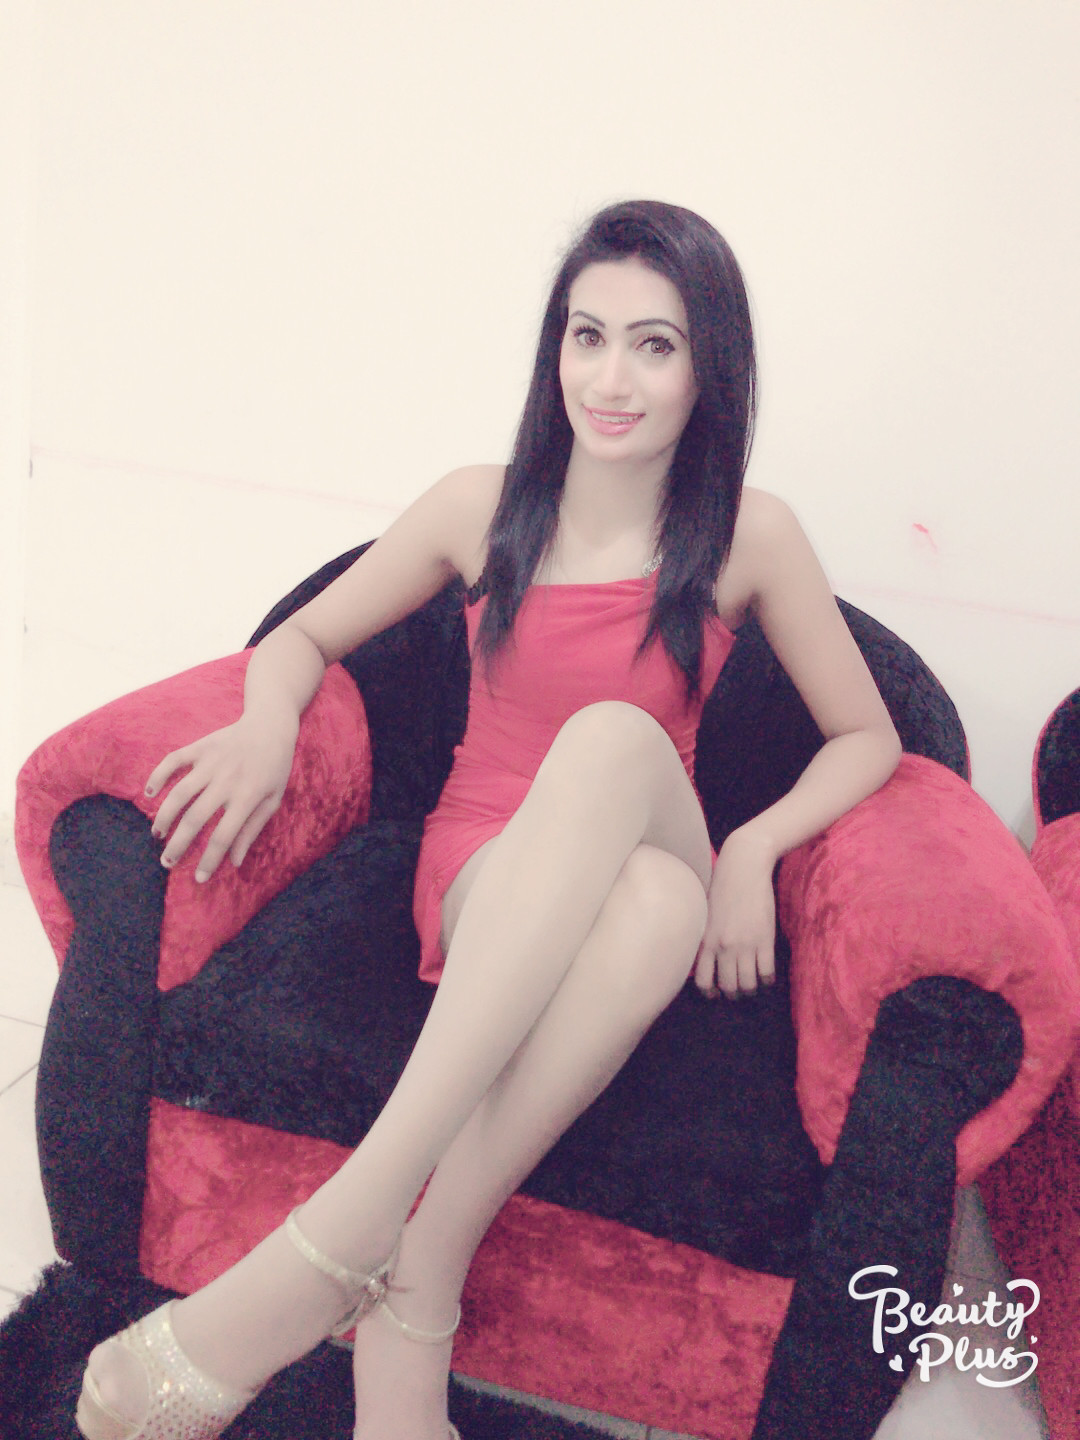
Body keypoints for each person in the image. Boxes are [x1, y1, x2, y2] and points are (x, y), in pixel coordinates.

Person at [75, 200, 902, 1440]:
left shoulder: (750, 533)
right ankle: (418, 1287)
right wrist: (266, 723)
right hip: (489, 870)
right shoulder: (480, 505)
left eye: (655, 346)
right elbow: (304, 636)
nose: (610, 379)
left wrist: (755, 845)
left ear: (707, 370)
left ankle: (338, 1238)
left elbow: (870, 736)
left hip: (660, 829)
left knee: (616, 753)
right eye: (588, 335)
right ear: (555, 347)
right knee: (652, 904)